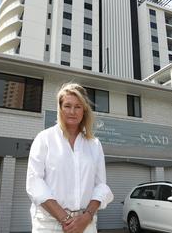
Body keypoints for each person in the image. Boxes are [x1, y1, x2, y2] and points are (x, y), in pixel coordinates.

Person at [26, 83, 113, 233]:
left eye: (78, 106)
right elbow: (34, 183)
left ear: (84, 110)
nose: (72, 111)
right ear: (60, 108)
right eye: (67, 106)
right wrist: (65, 219)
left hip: (86, 224)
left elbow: (100, 186)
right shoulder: (44, 138)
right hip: (49, 224)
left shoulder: (94, 144)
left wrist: (85, 218)